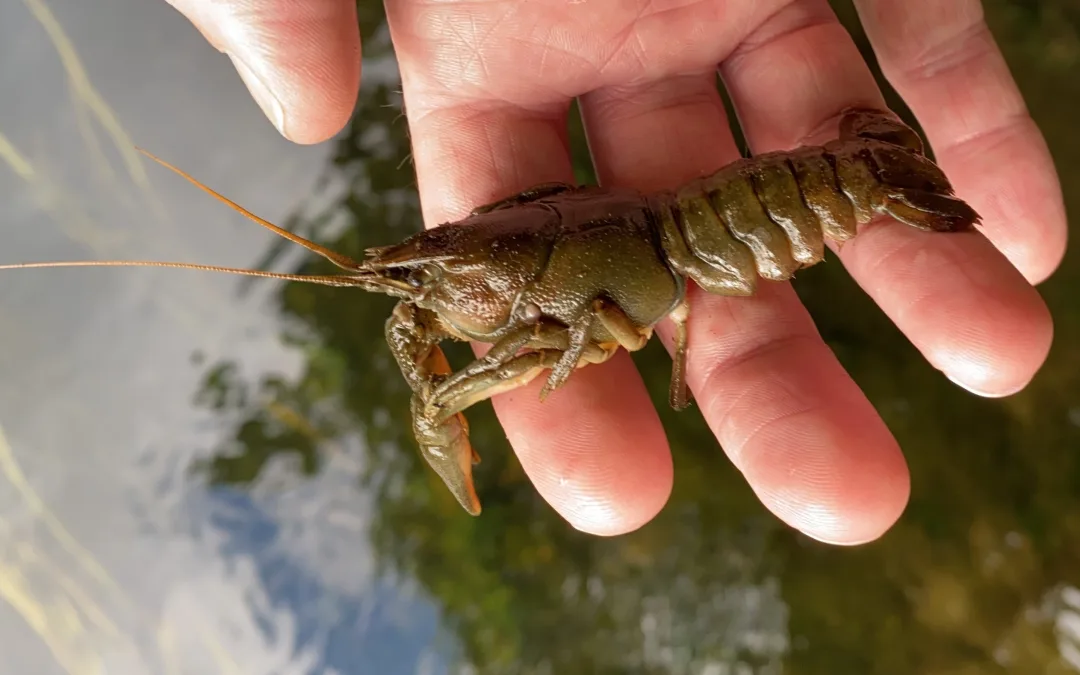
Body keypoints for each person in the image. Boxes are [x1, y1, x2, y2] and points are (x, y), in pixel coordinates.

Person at [166, 0, 1065, 544]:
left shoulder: (556, 293)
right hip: (685, 220)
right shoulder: (502, 241)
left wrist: (461, 386)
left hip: (724, 229)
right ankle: (873, 166)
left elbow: (567, 325)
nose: (420, 294)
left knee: (439, 395)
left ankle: (872, 172)